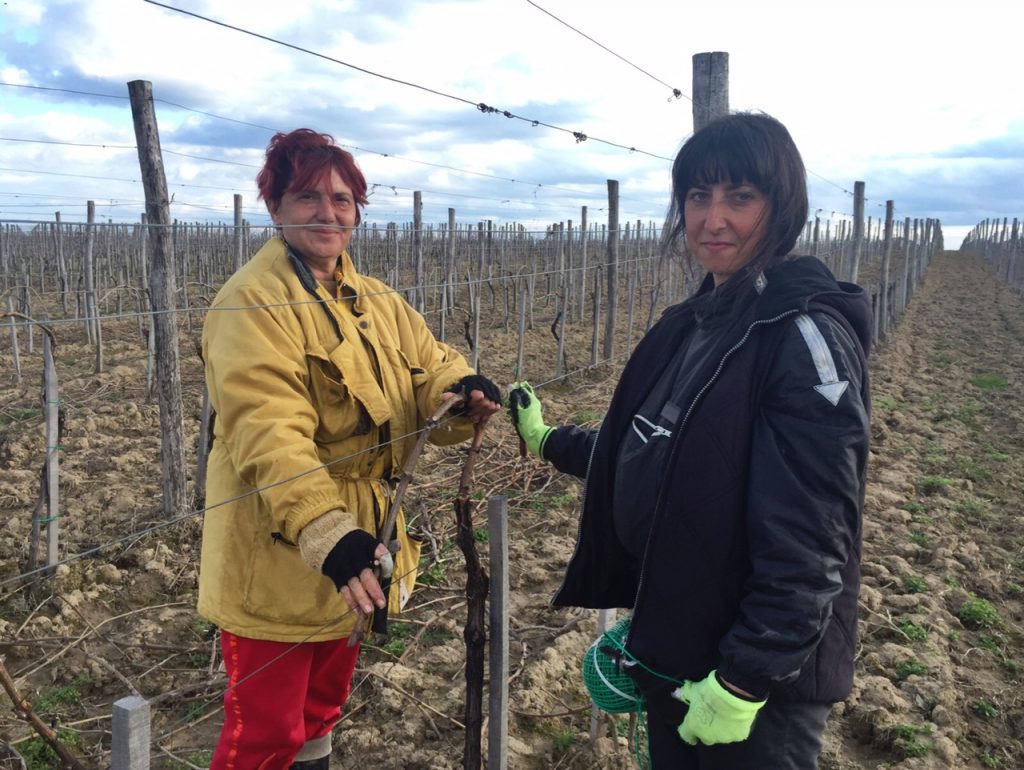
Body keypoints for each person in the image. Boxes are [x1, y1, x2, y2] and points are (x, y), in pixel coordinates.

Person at [508, 112, 871, 769]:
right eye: (697, 197)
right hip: (683, 655)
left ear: (781, 206)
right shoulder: (699, 322)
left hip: (754, 689)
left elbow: (814, 538)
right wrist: (547, 440)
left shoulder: (801, 338)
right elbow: (656, 452)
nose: (713, 220)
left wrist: (744, 681)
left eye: (740, 196)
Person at [199, 128, 501, 770]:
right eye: (306, 195)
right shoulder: (250, 303)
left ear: (358, 210)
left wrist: (460, 389)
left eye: (341, 197)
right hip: (279, 553)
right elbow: (266, 428)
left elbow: (429, 367)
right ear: (275, 207)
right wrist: (325, 530)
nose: (326, 211)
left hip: (360, 549)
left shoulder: (378, 301)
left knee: (319, 715)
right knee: (265, 735)